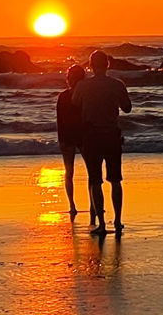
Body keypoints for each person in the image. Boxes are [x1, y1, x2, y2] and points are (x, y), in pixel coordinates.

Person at [71, 49, 132, 235]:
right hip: (112, 135)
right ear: (107, 64)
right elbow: (127, 108)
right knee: (115, 180)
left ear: (90, 65)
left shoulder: (82, 86)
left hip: (92, 136)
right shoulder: (117, 84)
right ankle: (118, 221)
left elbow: (75, 105)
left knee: (95, 180)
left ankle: (102, 224)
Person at [55, 64, 95, 224]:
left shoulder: (66, 96)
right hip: (76, 136)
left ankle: (83, 204)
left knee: (80, 172)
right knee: (77, 172)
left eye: (73, 77)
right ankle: (78, 205)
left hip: (78, 136)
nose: (71, 80)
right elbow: (61, 120)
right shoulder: (70, 96)